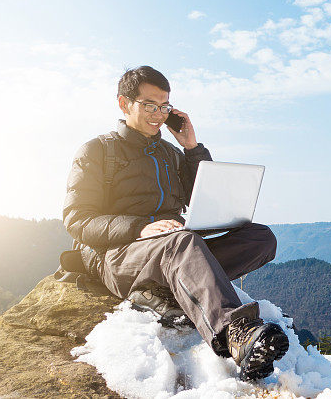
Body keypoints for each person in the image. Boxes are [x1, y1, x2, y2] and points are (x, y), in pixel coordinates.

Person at [61, 65, 288, 380]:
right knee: (181, 242)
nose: (158, 114)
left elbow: (204, 196)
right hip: (120, 256)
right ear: (124, 104)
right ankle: (236, 334)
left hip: (175, 250)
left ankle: (168, 293)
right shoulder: (98, 151)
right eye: (150, 105)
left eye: (164, 107)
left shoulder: (170, 154)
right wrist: (139, 229)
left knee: (261, 238)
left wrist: (192, 148)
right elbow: (77, 219)